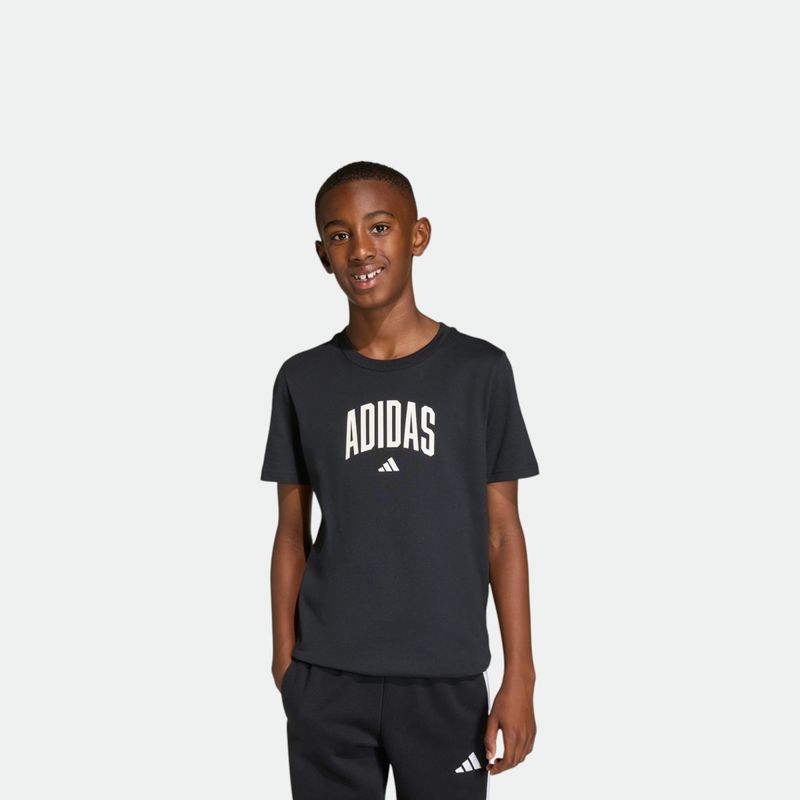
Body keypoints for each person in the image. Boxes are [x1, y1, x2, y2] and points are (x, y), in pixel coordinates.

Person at [260, 160, 540, 799]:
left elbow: (502, 534)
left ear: (419, 235)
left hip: (447, 680)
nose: (360, 249)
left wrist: (520, 675)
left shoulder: (480, 372)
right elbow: (290, 533)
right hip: (327, 678)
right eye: (339, 234)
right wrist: (285, 662)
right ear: (322, 254)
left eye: (379, 227)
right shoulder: (303, 379)